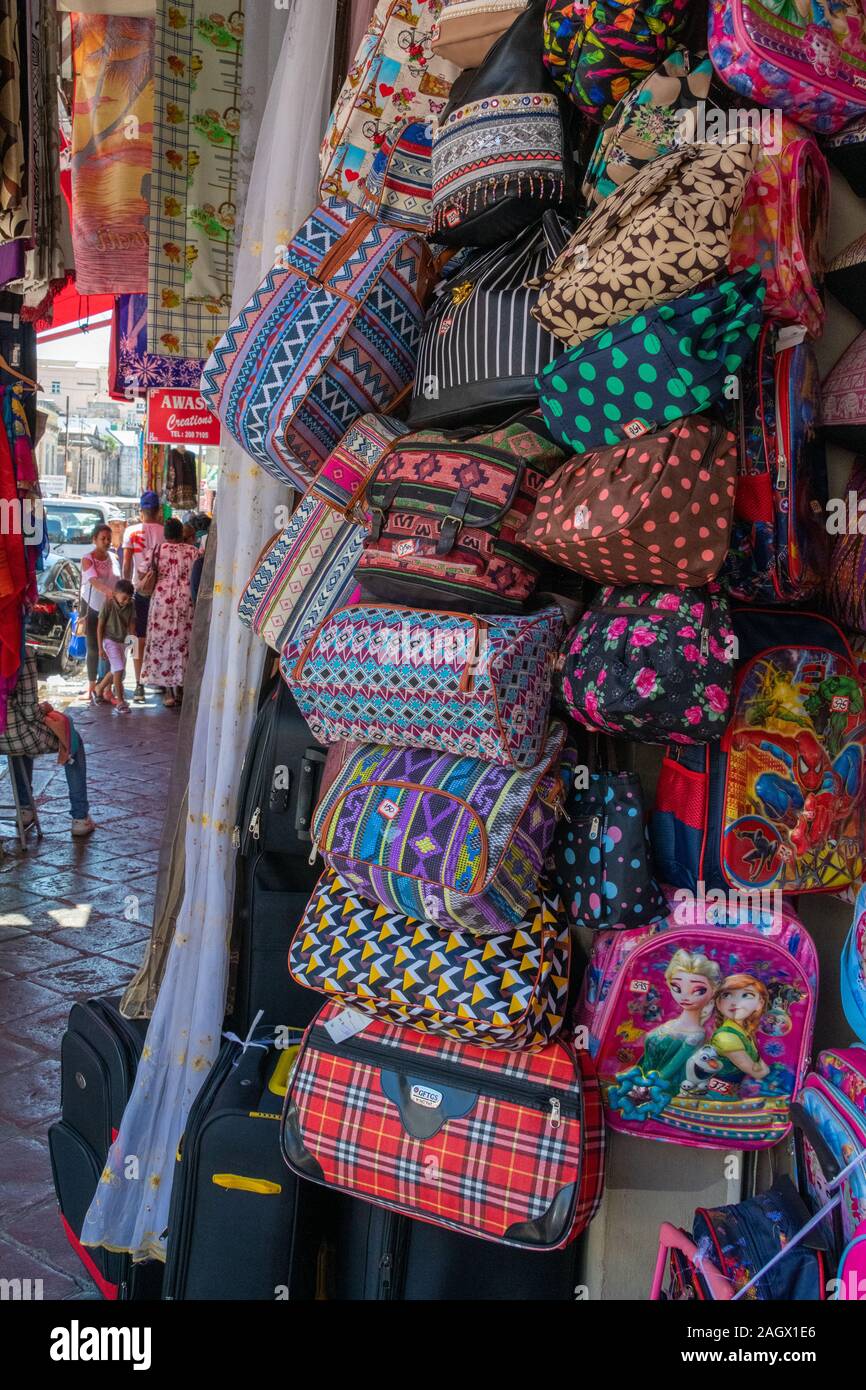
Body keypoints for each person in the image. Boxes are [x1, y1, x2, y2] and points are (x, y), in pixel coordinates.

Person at [0, 651, 94, 837]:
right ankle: (80, 817)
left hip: (9, 736)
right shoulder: (19, 653)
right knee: (72, 739)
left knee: (19, 747)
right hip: (14, 736)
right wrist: (45, 708)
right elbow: (30, 712)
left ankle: (25, 807)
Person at [140, 516, 196, 707]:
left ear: (165, 534)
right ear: (181, 534)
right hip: (185, 602)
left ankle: (168, 693)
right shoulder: (193, 551)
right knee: (182, 643)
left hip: (161, 602)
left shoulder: (157, 550)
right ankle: (181, 688)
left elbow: (142, 570)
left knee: (162, 644)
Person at [122, 491, 166, 705]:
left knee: (135, 637)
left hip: (137, 591)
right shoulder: (165, 532)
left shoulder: (130, 532)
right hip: (160, 592)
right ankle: (156, 680)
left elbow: (126, 563)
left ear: (141, 511)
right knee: (157, 635)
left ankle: (138, 684)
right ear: (158, 511)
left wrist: (125, 588)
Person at [80, 522, 120, 704]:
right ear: (94, 540)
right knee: (93, 648)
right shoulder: (87, 558)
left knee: (109, 646)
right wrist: (110, 592)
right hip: (92, 607)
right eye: (102, 539)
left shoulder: (114, 558)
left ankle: (105, 687)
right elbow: (94, 581)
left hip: (110, 608)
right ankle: (91, 687)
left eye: (108, 539)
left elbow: (120, 579)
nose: (106, 542)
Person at [96, 579, 136, 712]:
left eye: (129, 599)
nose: (126, 601)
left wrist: (132, 644)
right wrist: (100, 648)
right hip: (109, 640)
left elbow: (131, 625)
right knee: (119, 670)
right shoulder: (107, 604)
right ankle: (120, 701)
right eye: (124, 598)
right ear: (115, 594)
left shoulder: (131, 605)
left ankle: (99, 688)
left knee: (115, 670)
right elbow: (100, 626)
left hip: (122, 641)